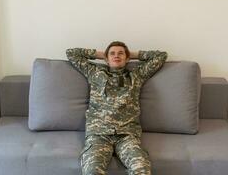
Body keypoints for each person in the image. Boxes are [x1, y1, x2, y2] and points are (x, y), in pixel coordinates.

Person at [66, 41, 168, 175]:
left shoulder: (136, 76)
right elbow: (71, 53)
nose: (116, 56)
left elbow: (161, 56)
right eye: (112, 53)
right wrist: (102, 54)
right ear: (106, 59)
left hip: (127, 135)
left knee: (141, 169)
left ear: (127, 59)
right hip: (99, 134)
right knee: (92, 171)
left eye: (121, 53)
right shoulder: (95, 73)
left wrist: (131, 54)